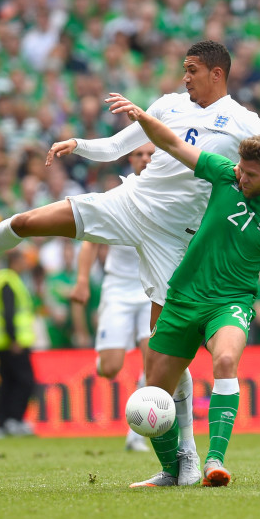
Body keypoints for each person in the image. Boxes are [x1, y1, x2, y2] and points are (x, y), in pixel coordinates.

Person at [0, 40, 260, 486]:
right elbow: (117, 146)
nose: (184, 77)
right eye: (183, 69)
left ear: (217, 72)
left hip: (176, 241)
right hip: (131, 202)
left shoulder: (243, 121)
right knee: (29, 220)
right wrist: (77, 144)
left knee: (162, 354)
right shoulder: (169, 105)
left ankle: (185, 459)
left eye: (191, 69)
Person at [106, 93, 260, 488]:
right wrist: (141, 116)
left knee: (224, 361)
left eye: (251, 174)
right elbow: (172, 143)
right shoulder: (224, 174)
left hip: (231, 303)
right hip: (183, 297)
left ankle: (214, 461)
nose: (242, 177)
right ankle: (173, 471)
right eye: (240, 168)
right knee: (154, 391)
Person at [70, 142, 155, 452]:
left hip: (151, 289)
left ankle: (137, 432)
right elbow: (90, 241)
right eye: (138, 155)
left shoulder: (168, 195)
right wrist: (82, 280)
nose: (144, 159)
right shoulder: (116, 197)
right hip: (118, 289)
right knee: (110, 368)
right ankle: (105, 356)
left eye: (150, 154)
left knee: (154, 362)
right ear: (130, 159)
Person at [0, 249, 37, 438]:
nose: (25, 264)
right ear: (14, 261)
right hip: (13, 343)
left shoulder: (1, 279)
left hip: (1, 342)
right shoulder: (9, 281)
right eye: (22, 260)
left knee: (7, 383)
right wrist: (13, 338)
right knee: (25, 382)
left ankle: (2, 423)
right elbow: (9, 312)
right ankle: (14, 420)